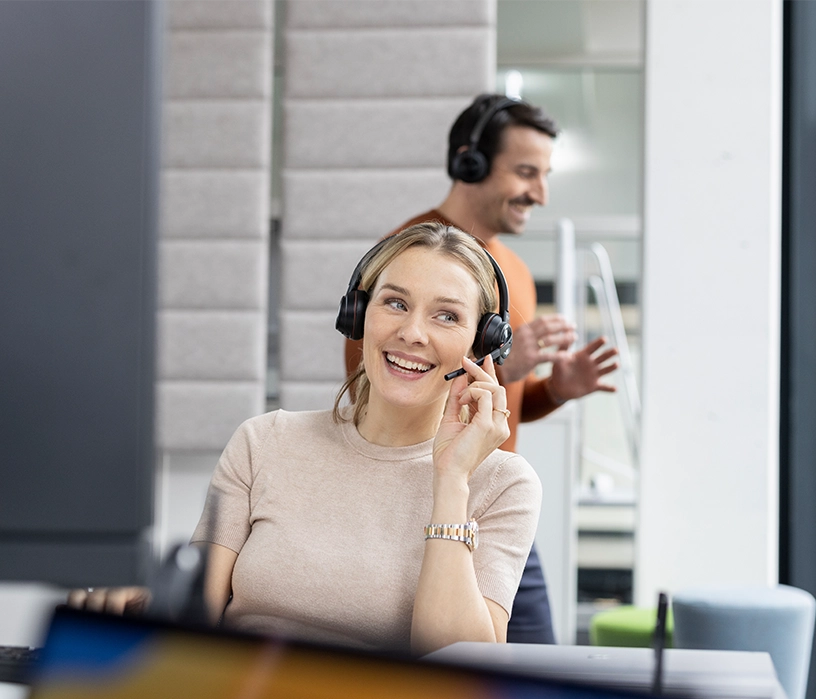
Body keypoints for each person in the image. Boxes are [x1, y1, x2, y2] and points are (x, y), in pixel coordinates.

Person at [68, 223, 541, 657]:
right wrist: (135, 607)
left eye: (446, 316)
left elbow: (456, 668)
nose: (412, 333)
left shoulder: (503, 483)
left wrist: (452, 477)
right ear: (358, 315)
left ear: (482, 346)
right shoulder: (265, 441)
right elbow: (196, 613)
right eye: (394, 303)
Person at [344, 94, 619, 644]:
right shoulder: (411, 254)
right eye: (524, 172)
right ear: (470, 162)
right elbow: (374, 384)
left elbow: (501, 404)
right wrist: (511, 363)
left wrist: (551, 390)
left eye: (543, 176)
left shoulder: (512, 269)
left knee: (534, 668)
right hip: (419, 496)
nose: (539, 193)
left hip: (493, 494)